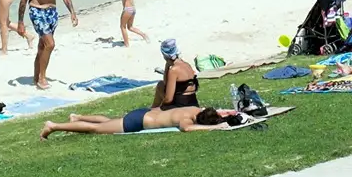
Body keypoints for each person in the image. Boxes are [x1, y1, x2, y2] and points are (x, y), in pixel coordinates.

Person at [16, 0, 77, 90]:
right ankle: (42, 78)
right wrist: (20, 22)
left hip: (52, 12)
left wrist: (72, 12)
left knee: (43, 47)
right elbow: (24, 0)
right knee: (50, 44)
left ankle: (36, 76)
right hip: (37, 11)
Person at [39, 105, 236, 137]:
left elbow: (211, 112)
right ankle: (53, 126)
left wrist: (224, 114)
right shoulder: (186, 119)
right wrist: (217, 127)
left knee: (108, 121)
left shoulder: (194, 109)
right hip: (137, 123)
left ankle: (77, 117)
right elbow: (187, 129)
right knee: (94, 129)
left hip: (142, 113)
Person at [152, 38, 201, 109]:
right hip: (193, 103)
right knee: (161, 85)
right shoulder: (187, 65)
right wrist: (167, 66)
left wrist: (161, 107)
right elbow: (166, 84)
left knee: (160, 86)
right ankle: (153, 109)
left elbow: (168, 99)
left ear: (164, 55)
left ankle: (152, 110)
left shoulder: (174, 70)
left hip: (181, 106)